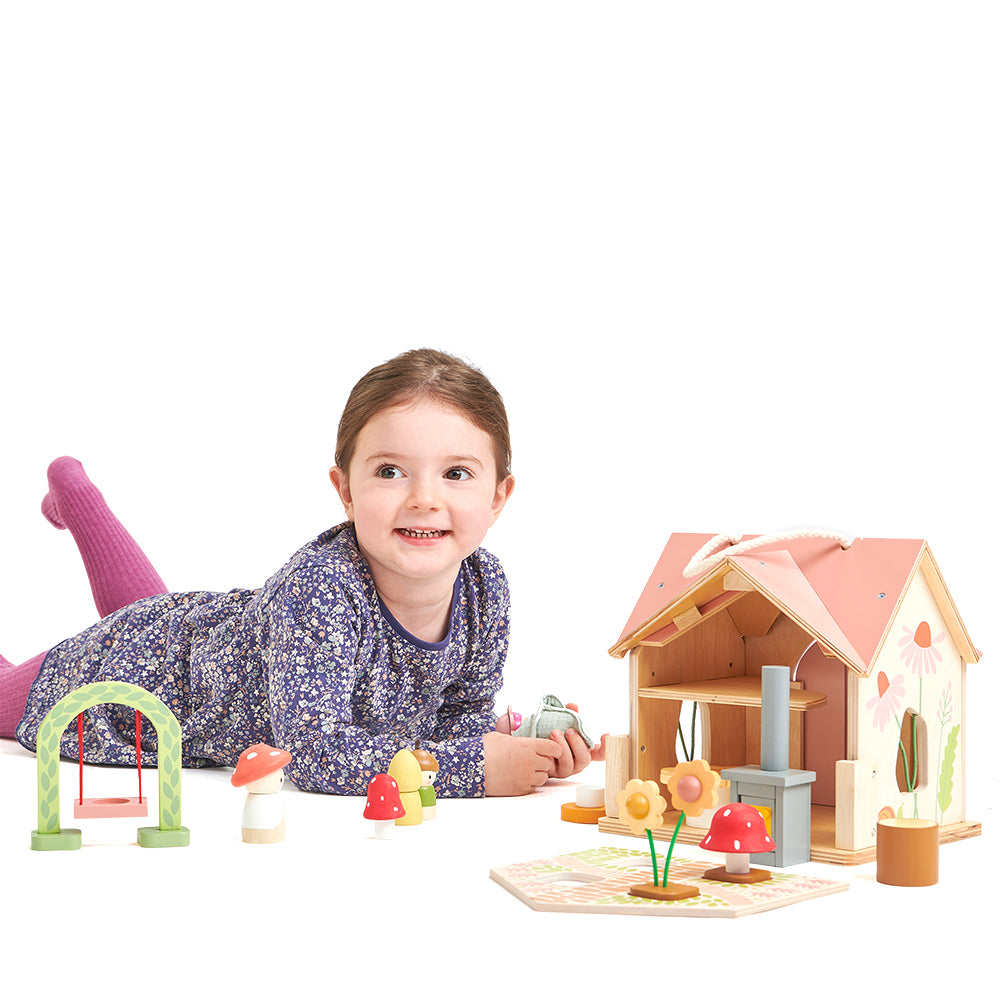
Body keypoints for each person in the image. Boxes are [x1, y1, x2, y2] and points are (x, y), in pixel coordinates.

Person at [0, 348, 605, 797]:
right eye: (391, 471)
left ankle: (79, 501)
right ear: (344, 489)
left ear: (499, 497)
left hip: (189, 644)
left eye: (456, 474)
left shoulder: (486, 587)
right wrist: (472, 770)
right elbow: (311, 753)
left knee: (148, 624)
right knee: (91, 658)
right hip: (130, 696)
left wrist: (521, 748)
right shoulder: (320, 589)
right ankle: (77, 503)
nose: (424, 498)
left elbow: (458, 718)